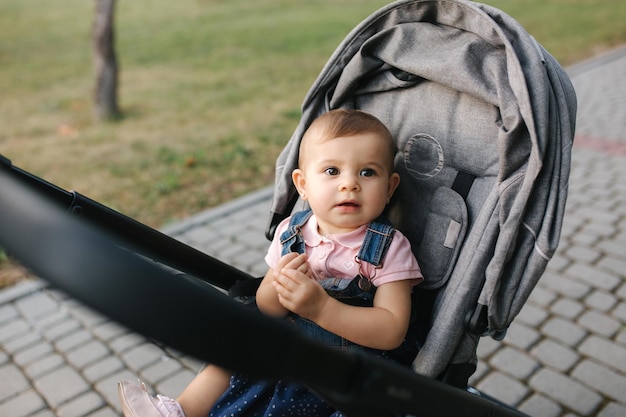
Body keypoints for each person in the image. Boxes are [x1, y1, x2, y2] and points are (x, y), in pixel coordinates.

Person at [118, 109, 423, 417]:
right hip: (289, 341)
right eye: (332, 171)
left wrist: (324, 309)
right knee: (234, 348)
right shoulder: (292, 231)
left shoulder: (389, 247)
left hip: (348, 365)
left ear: (389, 187)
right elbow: (267, 305)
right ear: (302, 185)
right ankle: (179, 411)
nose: (350, 184)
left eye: (367, 172)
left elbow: (392, 329)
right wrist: (278, 288)